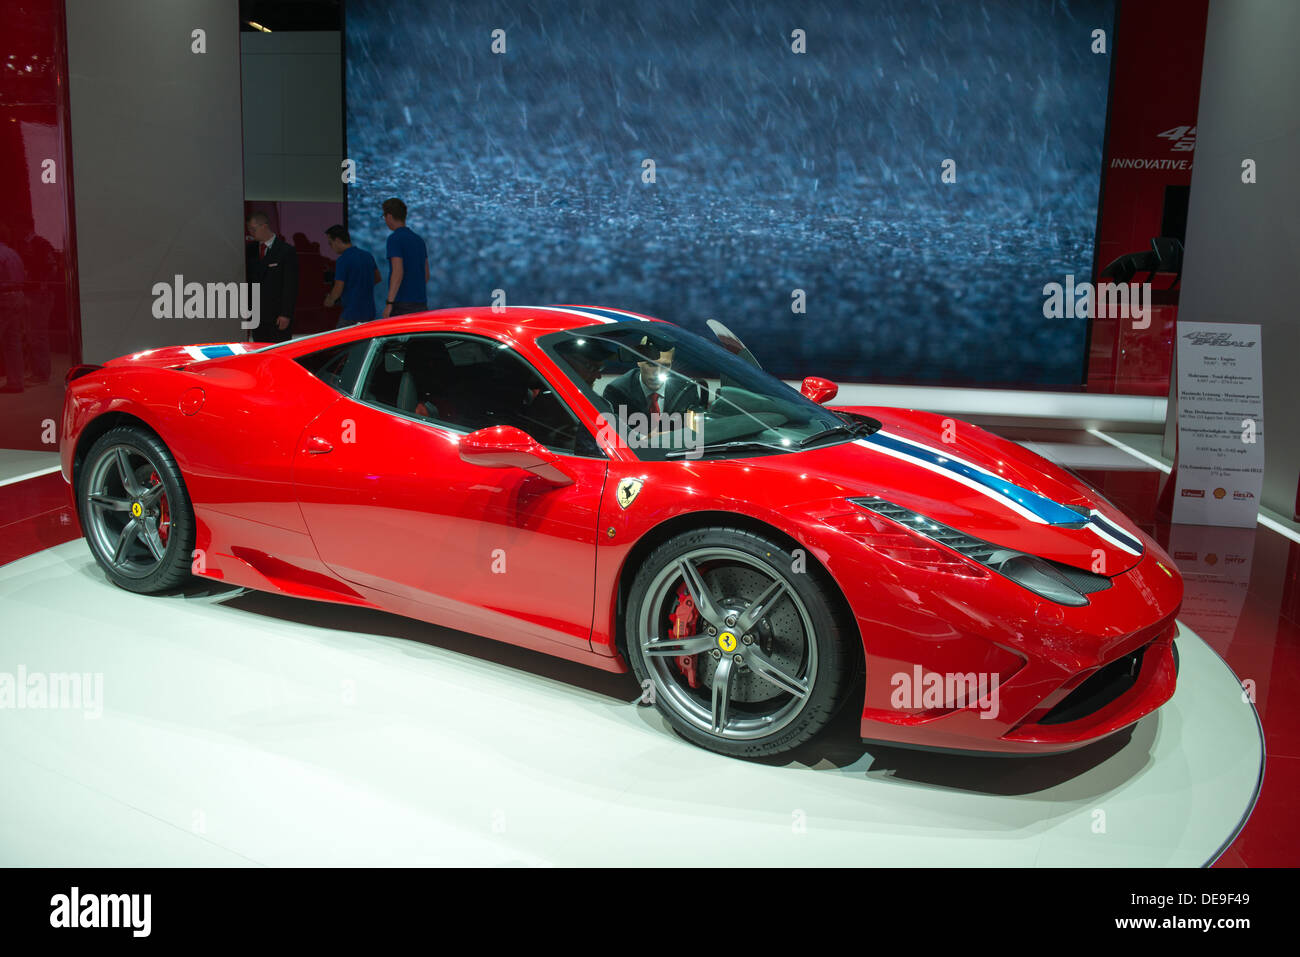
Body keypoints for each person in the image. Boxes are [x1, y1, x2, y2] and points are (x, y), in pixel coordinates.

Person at [600, 336, 696, 417]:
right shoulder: (617, 392)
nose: (658, 373)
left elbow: (696, 431)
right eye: (651, 364)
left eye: (665, 366)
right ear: (639, 361)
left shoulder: (687, 389)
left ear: (671, 364)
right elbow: (613, 433)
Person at [246, 212, 298, 343]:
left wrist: (286, 313)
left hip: (277, 315)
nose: (251, 232)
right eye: (249, 229)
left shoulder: (285, 251)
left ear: (264, 226)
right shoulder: (250, 250)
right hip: (256, 314)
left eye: (253, 229)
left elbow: (290, 285)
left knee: (279, 349)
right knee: (259, 349)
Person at [323, 225, 380, 327]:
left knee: (339, 340)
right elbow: (377, 278)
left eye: (330, 243)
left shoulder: (343, 260)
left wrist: (330, 300)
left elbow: (338, 288)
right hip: (369, 312)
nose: (330, 247)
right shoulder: (367, 256)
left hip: (351, 313)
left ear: (337, 240)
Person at [380, 198, 429, 317]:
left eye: (384, 216)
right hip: (421, 303)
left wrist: (389, 303)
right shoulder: (419, 240)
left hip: (402, 304)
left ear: (389, 216)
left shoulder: (394, 239)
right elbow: (426, 275)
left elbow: (397, 272)